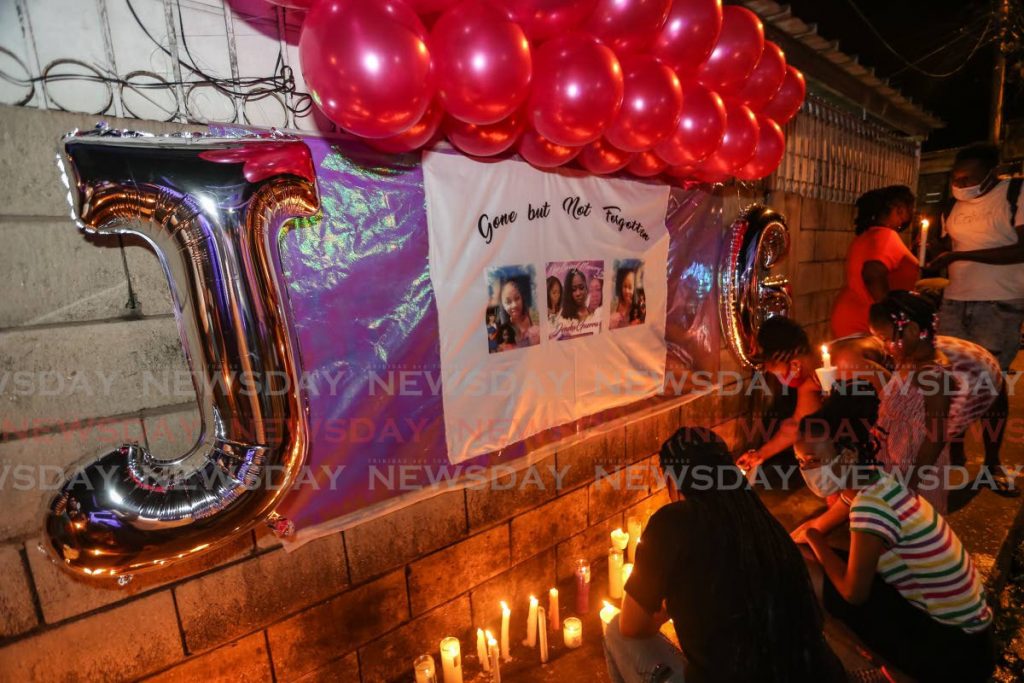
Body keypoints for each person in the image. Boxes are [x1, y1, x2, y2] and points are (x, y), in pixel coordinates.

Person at [605, 426, 845, 683]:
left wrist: (666, 606)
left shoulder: (672, 522)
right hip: (817, 673)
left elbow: (632, 626)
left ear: (672, 482)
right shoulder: (759, 517)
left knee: (616, 632)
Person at [792, 392, 995, 682]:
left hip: (955, 654)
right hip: (975, 637)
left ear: (847, 455)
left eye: (814, 460)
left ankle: (887, 669)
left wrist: (814, 538)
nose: (807, 471)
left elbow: (854, 593)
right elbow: (840, 508)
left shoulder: (870, 508)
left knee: (807, 568)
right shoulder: (877, 481)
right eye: (800, 462)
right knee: (818, 554)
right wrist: (809, 530)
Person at [868, 291, 1011, 511]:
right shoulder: (909, 359)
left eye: (887, 339)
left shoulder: (934, 375)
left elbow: (935, 437)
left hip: (912, 467)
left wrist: (911, 483)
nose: (885, 347)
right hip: (893, 459)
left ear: (914, 330)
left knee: (907, 528)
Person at [929, 143, 1024, 370]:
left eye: (969, 178)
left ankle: (993, 407)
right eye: (956, 178)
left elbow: (1022, 250)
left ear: (991, 173)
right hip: (954, 300)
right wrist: (935, 250)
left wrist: (959, 256)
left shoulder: (1016, 193)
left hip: (999, 301)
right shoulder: (952, 205)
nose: (960, 184)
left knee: (988, 372)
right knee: (950, 370)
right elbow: (948, 247)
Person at [831, 186, 919, 338]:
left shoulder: (870, 235)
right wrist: (891, 315)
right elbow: (872, 272)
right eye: (912, 209)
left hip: (855, 317)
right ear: (900, 210)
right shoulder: (886, 236)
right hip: (867, 323)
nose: (914, 214)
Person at [497, 276, 539, 348]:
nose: (514, 305)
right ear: (503, 305)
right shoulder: (503, 331)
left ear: (522, 297)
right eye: (508, 302)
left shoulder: (533, 316)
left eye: (517, 298)